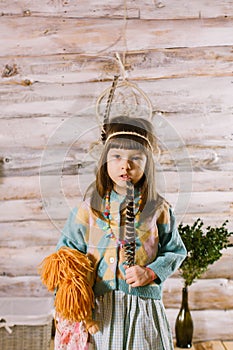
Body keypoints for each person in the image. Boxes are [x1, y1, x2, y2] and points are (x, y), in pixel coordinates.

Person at [54, 115, 187, 350]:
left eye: (136, 158)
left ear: (148, 164)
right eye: (116, 157)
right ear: (105, 160)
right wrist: (74, 298)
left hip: (142, 305)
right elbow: (66, 257)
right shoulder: (87, 212)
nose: (125, 166)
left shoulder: (158, 209)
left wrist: (151, 272)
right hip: (100, 309)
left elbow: (175, 251)